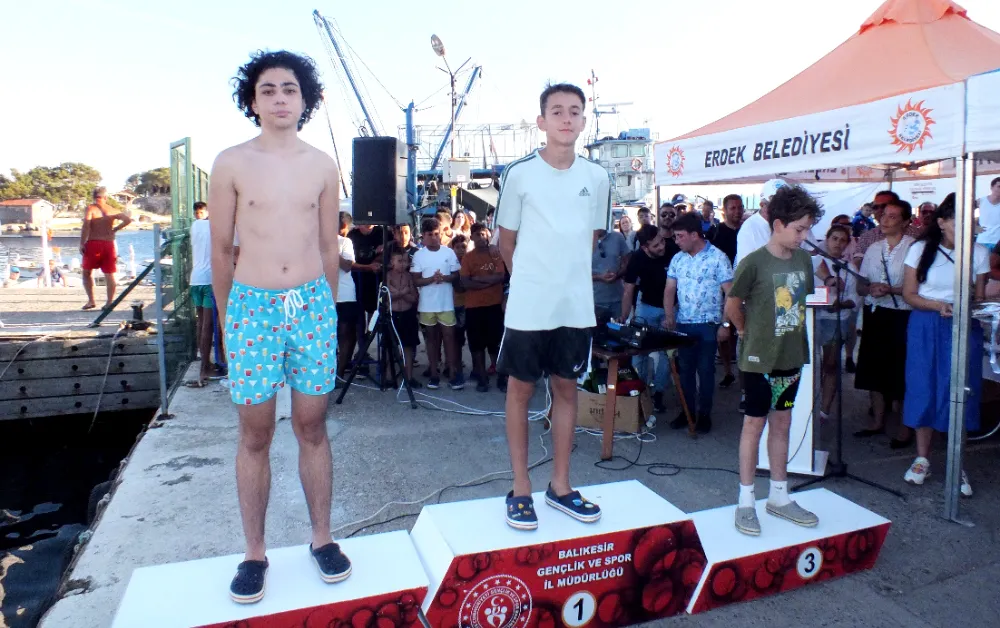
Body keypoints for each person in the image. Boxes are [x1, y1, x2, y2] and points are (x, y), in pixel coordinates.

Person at [208, 50, 350, 604]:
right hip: (252, 308)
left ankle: (323, 539)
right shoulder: (231, 163)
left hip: (312, 304)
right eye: (267, 90)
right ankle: (254, 552)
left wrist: (328, 308)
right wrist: (228, 318)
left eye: (289, 89)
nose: (279, 98)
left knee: (313, 425)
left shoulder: (323, 165)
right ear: (253, 101)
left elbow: (328, 246)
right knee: (255, 433)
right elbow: (222, 249)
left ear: (305, 98)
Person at [495, 83, 609, 530]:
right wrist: (528, 282)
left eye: (575, 111)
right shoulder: (519, 173)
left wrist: (564, 280)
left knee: (567, 390)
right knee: (520, 391)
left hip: (575, 306)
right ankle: (520, 488)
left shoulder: (597, 178)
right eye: (557, 111)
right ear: (541, 121)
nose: (566, 118)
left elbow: (591, 239)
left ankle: (560, 486)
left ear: (584, 121)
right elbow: (506, 241)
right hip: (529, 306)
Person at [724, 184, 821, 536]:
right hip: (758, 361)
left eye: (807, 229)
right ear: (778, 224)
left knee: (783, 423)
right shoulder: (753, 263)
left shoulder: (804, 261)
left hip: (790, 356)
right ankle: (746, 501)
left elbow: (798, 303)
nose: (804, 236)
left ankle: (779, 495)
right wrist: (746, 333)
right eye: (799, 229)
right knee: (754, 425)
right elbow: (733, 306)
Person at [901, 194, 988, 496]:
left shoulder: (979, 252)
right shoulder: (919, 250)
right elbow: (909, 294)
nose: (966, 225)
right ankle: (922, 458)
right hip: (925, 324)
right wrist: (938, 305)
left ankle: (956, 462)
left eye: (970, 219)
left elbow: (979, 297)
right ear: (941, 222)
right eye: (957, 219)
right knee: (923, 386)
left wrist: (973, 306)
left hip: (963, 326)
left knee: (960, 390)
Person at [663, 213, 733, 433]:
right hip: (684, 323)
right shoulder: (678, 259)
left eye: (680, 236)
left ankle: (704, 414)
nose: (676, 241)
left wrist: (726, 324)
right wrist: (669, 315)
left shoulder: (718, 257)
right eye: (675, 237)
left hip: (708, 324)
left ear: (694, 235)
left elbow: (730, 293)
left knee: (705, 371)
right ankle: (687, 411)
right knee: (685, 370)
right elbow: (669, 289)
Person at [853, 200, 915, 445]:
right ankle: (878, 421)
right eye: (884, 215)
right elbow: (861, 284)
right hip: (875, 312)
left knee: (899, 371)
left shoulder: (914, 248)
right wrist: (870, 288)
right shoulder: (873, 248)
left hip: (902, 315)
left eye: (892, 216)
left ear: (906, 222)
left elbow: (918, 287)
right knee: (874, 369)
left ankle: (904, 426)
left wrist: (892, 289)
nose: (884, 220)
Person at [622, 224, 679, 411]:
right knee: (638, 351)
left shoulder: (673, 250)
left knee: (666, 353)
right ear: (645, 247)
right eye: (656, 245)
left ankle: (658, 392)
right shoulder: (637, 258)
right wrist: (623, 317)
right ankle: (639, 391)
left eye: (662, 241)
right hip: (646, 307)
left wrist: (670, 313)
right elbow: (628, 289)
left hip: (671, 307)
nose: (662, 247)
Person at [411, 217, 463, 390]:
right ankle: (434, 374)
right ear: (423, 236)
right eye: (429, 234)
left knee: (450, 338)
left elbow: (456, 275)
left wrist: (445, 278)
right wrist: (432, 279)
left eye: (436, 234)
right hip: (427, 305)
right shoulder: (419, 255)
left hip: (446, 304)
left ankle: (453, 373)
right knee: (431, 340)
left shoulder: (449, 253)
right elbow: (416, 280)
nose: (434, 237)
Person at [812, 224, 858, 420]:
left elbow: (854, 299)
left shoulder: (849, 268)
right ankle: (808, 404)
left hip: (836, 320)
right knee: (811, 364)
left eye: (842, 240)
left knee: (830, 365)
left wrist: (841, 304)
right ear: (827, 239)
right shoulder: (813, 262)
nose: (838, 243)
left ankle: (824, 409)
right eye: (834, 239)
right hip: (813, 318)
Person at [461, 223, 507, 393]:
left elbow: (500, 276)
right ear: (472, 237)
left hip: (494, 305)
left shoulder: (495, 254)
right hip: (474, 307)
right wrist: (488, 282)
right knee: (477, 345)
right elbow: (465, 282)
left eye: (484, 234)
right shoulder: (468, 258)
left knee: (497, 343)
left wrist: (478, 280)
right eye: (478, 235)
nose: (482, 238)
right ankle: (482, 377)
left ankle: (502, 376)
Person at [80, 186, 132, 310]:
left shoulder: (91, 208)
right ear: (105, 197)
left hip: (93, 242)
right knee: (109, 274)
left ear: (94, 197)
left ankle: (91, 300)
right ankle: (109, 302)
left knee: (87, 272)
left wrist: (82, 243)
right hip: (109, 243)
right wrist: (115, 229)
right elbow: (127, 220)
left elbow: (86, 225)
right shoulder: (112, 210)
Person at [713, 194, 743, 389]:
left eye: (739, 207)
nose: (737, 212)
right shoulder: (716, 233)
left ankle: (745, 377)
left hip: (745, 289)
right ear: (724, 211)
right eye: (732, 208)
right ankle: (727, 371)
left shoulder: (747, 231)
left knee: (743, 334)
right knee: (724, 334)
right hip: (723, 290)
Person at [186, 202, 216, 387]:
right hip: (208, 281)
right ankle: (204, 368)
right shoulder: (212, 226)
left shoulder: (195, 226)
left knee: (200, 323)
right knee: (208, 325)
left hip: (195, 280)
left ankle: (204, 361)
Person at [386, 249, 421, 389]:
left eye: (405, 261)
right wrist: (403, 292)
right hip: (392, 314)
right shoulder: (387, 276)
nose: (403, 264)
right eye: (399, 261)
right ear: (392, 262)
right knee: (389, 346)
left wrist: (399, 293)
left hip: (407, 314)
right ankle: (389, 377)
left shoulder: (409, 277)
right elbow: (386, 296)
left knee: (408, 346)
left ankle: (409, 377)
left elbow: (414, 298)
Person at [335, 212, 360, 379]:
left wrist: (332, 250)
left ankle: (340, 372)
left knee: (346, 333)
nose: (341, 231)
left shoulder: (345, 242)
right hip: (325, 294)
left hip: (345, 294)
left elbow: (347, 266)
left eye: (344, 229)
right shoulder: (316, 241)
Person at [592, 224, 629, 320]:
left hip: (617, 300)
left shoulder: (618, 237)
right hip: (594, 301)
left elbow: (627, 262)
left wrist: (617, 274)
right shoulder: (583, 241)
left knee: (618, 328)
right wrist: (599, 277)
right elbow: (579, 274)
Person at [977, 177, 1000, 250]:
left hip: (998, 243)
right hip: (982, 241)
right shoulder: (981, 201)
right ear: (991, 187)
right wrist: (974, 227)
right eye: (999, 186)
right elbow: (966, 213)